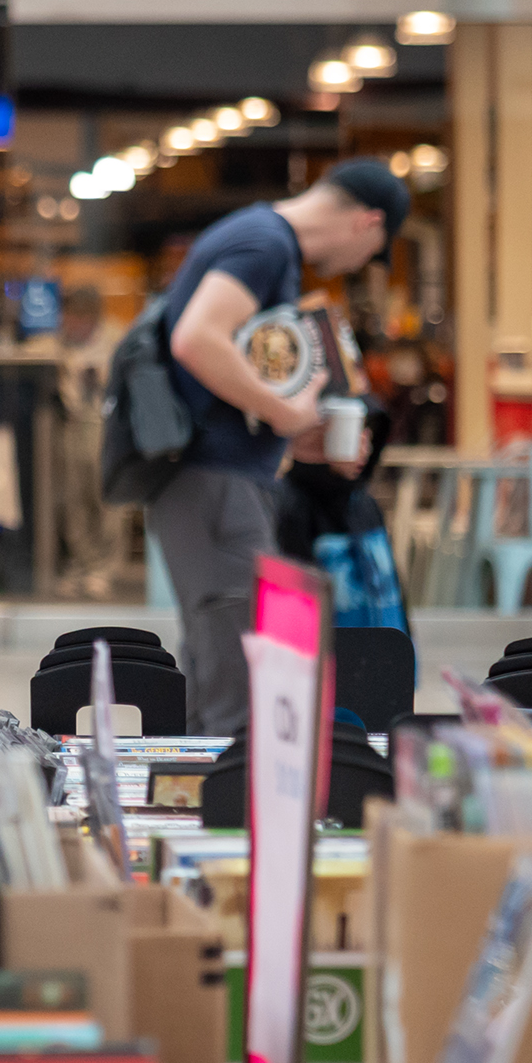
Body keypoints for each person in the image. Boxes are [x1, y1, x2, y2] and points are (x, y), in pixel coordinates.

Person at [150, 161, 408, 734]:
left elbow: (222, 373)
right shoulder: (265, 244)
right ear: (368, 224)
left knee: (221, 671)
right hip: (216, 486)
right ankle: (230, 817)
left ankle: (205, 810)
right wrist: (288, 414)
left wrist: (295, 435)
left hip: (220, 484)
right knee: (239, 690)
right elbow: (196, 339)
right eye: (375, 250)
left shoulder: (265, 241)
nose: (363, 265)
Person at [48, 286, 128, 595]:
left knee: (104, 497)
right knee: (72, 497)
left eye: (79, 317)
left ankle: (104, 567)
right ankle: (80, 563)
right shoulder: (60, 340)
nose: (73, 323)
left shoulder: (115, 337)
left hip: (105, 423)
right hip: (70, 423)